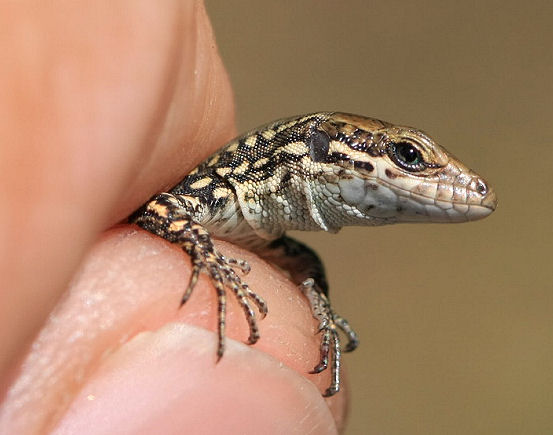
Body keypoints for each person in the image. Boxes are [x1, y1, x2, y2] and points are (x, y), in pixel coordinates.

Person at [0, 3, 346, 433]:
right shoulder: (215, 191)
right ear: (322, 150)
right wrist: (209, 259)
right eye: (409, 158)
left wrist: (322, 316)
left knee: (307, 265)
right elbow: (158, 210)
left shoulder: (261, 223)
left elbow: (305, 265)